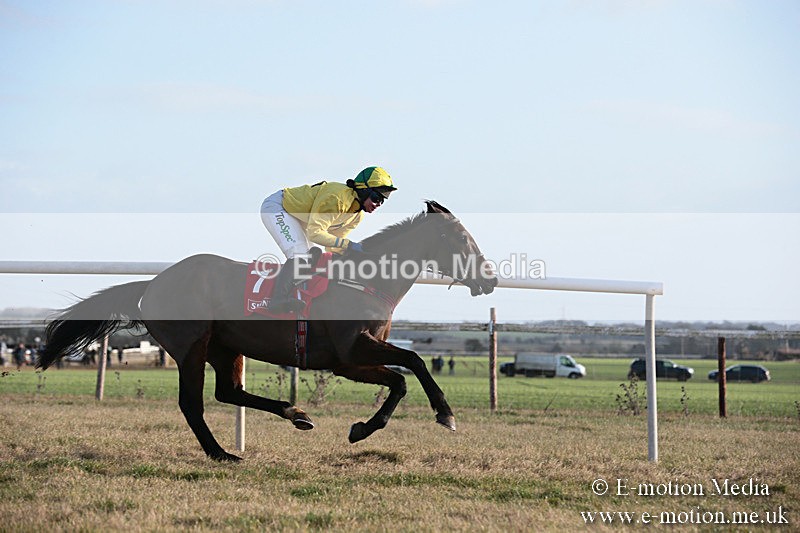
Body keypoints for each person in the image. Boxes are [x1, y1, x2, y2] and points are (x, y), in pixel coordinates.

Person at [260, 166, 397, 313]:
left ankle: (297, 297)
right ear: (364, 190)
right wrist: (349, 245)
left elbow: (334, 244)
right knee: (300, 255)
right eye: (376, 198)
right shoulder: (337, 198)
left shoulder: (356, 215)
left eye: (383, 201)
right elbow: (315, 233)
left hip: (301, 218)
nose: (378, 204)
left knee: (312, 257)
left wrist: (356, 255)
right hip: (278, 207)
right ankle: (277, 300)